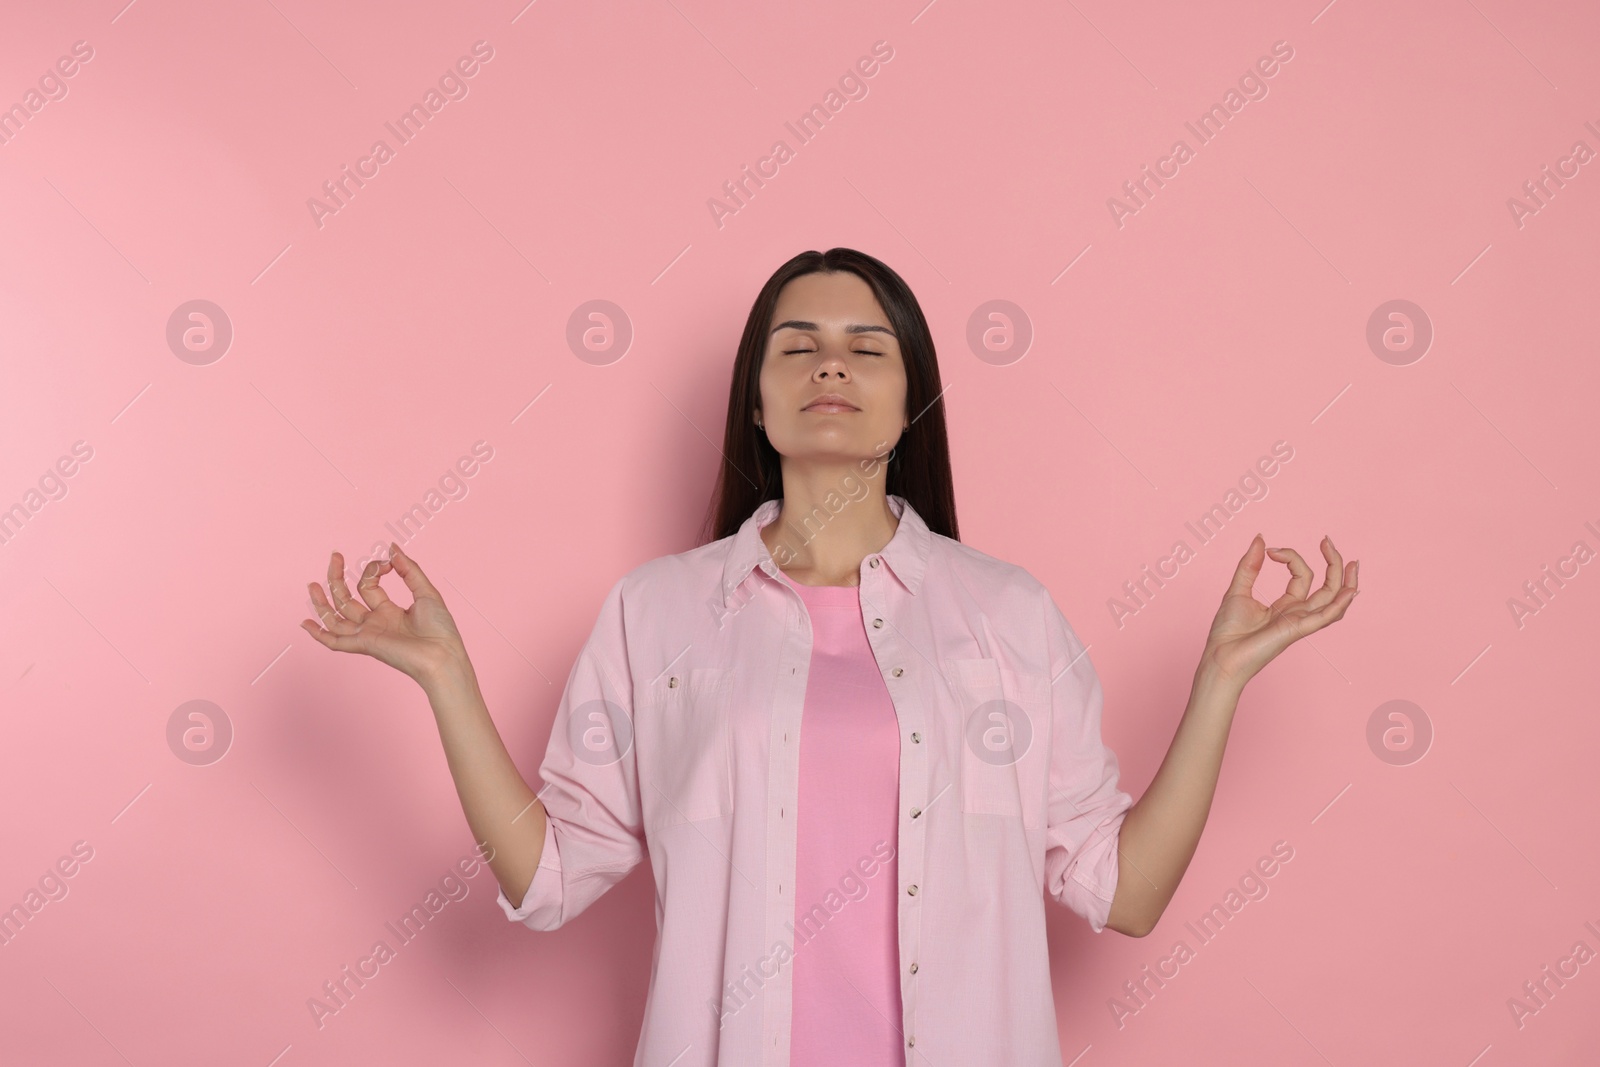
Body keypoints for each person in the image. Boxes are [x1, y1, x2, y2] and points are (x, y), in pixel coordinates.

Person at [300, 247, 1359, 1066]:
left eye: (867, 345)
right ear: (757, 401)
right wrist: (446, 677)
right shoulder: (658, 612)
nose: (831, 364)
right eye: (795, 346)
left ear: (909, 400)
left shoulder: (1008, 615)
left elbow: (1121, 891)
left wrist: (1218, 680)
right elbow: (553, 872)